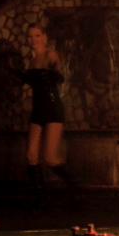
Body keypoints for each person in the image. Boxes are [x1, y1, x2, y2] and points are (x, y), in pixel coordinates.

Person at [12, 23, 72, 201]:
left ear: (44, 36)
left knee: (51, 158)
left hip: (52, 108)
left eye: (37, 35)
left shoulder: (49, 54)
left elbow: (60, 77)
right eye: (30, 36)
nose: (33, 39)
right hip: (38, 109)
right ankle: (40, 197)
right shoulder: (30, 57)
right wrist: (19, 73)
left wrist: (49, 75)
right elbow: (33, 82)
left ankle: (74, 189)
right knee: (31, 156)